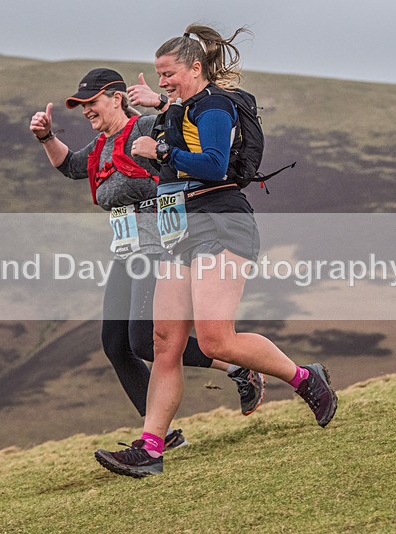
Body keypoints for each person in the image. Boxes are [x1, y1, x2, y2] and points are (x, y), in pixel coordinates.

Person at [94, 25, 338, 478]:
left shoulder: (215, 106)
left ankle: (305, 378)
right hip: (180, 232)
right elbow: (177, 141)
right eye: (158, 74)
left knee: (214, 340)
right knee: (163, 343)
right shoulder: (181, 108)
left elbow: (212, 163)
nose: (162, 80)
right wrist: (161, 107)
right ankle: (151, 448)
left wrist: (158, 147)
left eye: (168, 74)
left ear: (195, 67)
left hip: (221, 224)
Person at [30, 68, 265, 449]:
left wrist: (163, 100)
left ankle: (238, 366)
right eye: (81, 105)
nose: (86, 110)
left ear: (116, 98)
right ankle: (163, 435)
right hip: (127, 250)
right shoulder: (103, 145)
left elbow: (183, 125)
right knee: (115, 344)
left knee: (143, 342)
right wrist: (46, 136)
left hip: (161, 246)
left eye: (92, 102)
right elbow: (71, 166)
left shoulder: (147, 126)